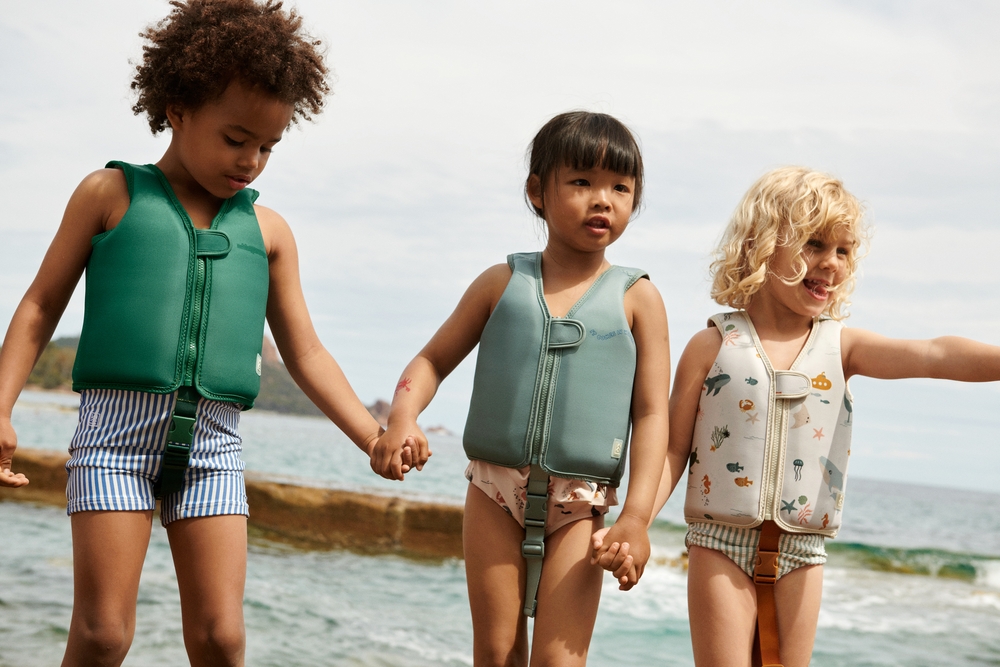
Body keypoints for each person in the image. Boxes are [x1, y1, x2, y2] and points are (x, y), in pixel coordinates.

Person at [0, 2, 387, 665]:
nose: (252, 161)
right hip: (114, 439)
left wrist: (372, 438)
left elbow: (306, 352)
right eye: (236, 139)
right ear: (177, 109)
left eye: (268, 147)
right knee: (103, 634)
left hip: (214, 446)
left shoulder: (269, 233)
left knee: (221, 638)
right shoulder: (109, 193)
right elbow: (40, 304)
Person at [647, 166, 1000, 667]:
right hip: (719, 543)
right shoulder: (712, 345)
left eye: (843, 251)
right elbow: (671, 449)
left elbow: (934, 355)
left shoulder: (842, 347)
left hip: (802, 551)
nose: (831, 262)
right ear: (760, 244)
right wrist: (635, 524)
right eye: (814, 244)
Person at [370, 111, 670, 666]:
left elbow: (653, 414)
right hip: (494, 491)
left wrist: (636, 517)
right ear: (537, 192)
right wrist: (403, 418)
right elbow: (431, 360)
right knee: (497, 652)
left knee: (559, 661)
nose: (602, 200)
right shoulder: (502, 283)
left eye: (620, 188)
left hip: (581, 504)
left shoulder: (639, 299)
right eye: (581, 181)